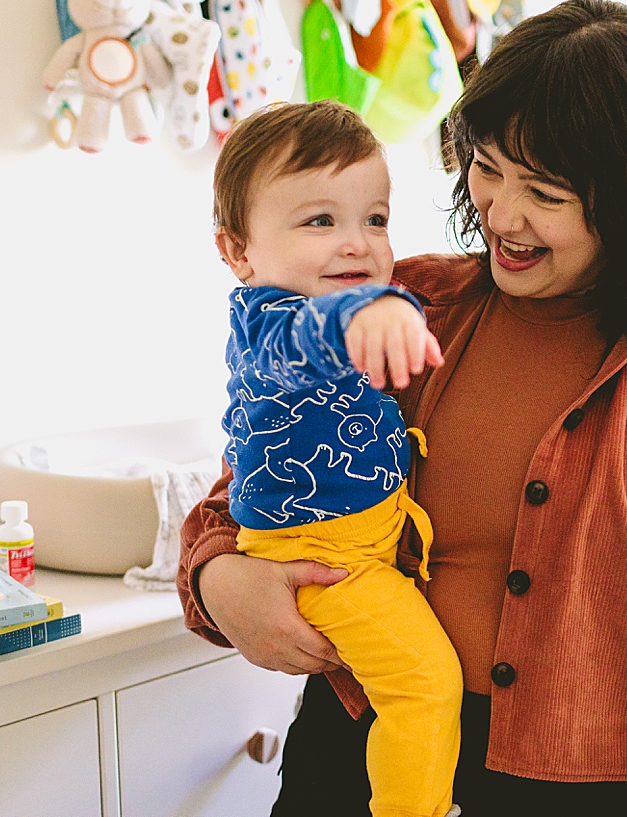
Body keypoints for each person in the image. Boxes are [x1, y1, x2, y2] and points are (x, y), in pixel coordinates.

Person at [179, 0, 627, 817]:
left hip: (597, 790)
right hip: (364, 751)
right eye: (487, 168)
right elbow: (253, 480)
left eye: (547, 193)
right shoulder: (409, 306)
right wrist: (221, 580)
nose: (502, 215)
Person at [209, 100, 462, 817]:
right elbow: (308, 341)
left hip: (363, 540)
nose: (357, 243)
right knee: (424, 684)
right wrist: (369, 312)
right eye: (320, 221)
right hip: (323, 554)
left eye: (375, 219)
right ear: (238, 252)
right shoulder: (272, 322)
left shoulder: (363, 300)